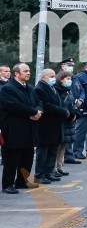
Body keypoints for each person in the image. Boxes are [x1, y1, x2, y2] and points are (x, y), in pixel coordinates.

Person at [0, 64, 43, 194]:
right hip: (14, 129)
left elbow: (38, 102)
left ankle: (22, 181)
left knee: (27, 157)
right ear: (17, 74)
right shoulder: (8, 89)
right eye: (25, 71)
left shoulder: (29, 88)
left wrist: (39, 111)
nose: (28, 73)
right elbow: (14, 106)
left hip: (29, 129)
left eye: (29, 70)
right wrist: (33, 112)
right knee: (12, 158)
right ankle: (7, 184)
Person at [34, 69, 69, 184]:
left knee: (52, 149)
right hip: (45, 124)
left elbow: (58, 102)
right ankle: (40, 174)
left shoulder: (52, 87)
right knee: (43, 150)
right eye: (52, 76)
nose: (54, 78)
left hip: (55, 124)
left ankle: (49, 172)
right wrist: (63, 111)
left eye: (54, 76)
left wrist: (64, 110)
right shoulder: (39, 89)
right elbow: (47, 105)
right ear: (44, 77)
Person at [54, 71, 80, 175]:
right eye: (67, 79)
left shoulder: (67, 91)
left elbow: (72, 104)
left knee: (63, 146)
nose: (70, 81)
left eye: (70, 79)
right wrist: (69, 114)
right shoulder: (58, 90)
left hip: (69, 121)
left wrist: (75, 114)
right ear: (61, 79)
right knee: (57, 147)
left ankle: (59, 167)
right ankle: (54, 168)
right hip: (62, 120)